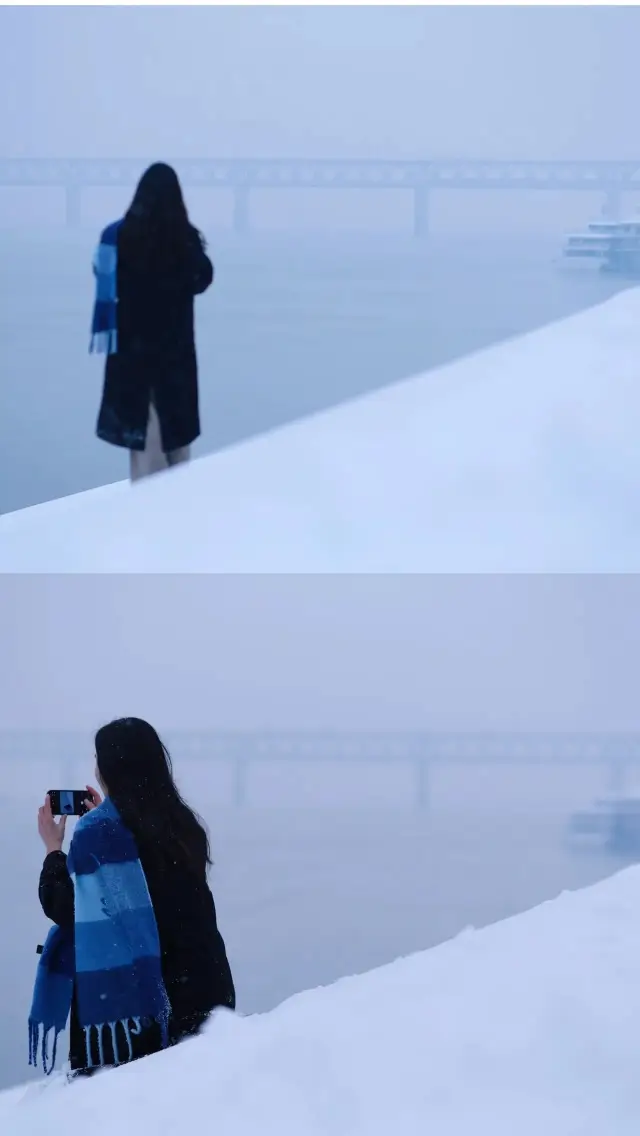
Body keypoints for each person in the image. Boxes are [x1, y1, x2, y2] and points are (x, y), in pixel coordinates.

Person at [30, 718, 235, 1077]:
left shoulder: (101, 834)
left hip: (139, 1014)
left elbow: (67, 907)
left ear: (109, 766)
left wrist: (53, 851)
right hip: (204, 988)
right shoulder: (183, 824)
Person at [90, 163, 214, 482]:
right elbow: (203, 278)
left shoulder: (117, 237)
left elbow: (101, 272)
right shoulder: (185, 240)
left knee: (146, 438)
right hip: (175, 353)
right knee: (178, 435)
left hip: (133, 353)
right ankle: (178, 511)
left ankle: (148, 514)